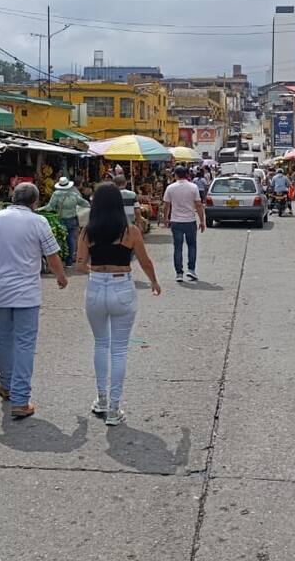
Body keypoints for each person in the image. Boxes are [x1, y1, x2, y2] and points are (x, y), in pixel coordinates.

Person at [0, 182, 68, 420]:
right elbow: (52, 256)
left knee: (4, 341)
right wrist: (61, 277)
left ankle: (6, 385)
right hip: (26, 295)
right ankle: (20, 399)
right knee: (24, 344)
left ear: (13, 197)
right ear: (35, 202)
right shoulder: (39, 222)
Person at [76, 182, 161, 426]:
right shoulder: (131, 231)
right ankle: (114, 408)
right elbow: (144, 261)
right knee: (119, 349)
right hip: (122, 286)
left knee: (101, 344)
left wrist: (96, 270)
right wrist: (153, 281)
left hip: (95, 288)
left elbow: (80, 266)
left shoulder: (86, 232)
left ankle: (101, 399)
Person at [162, 165, 205, 283]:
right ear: (186, 174)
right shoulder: (193, 187)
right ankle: (191, 269)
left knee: (178, 247)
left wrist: (166, 218)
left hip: (176, 221)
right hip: (190, 221)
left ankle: (179, 273)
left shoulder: (170, 187)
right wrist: (202, 221)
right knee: (192, 246)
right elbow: (198, 205)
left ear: (175, 175)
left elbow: (166, 205)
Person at [46, 177, 89, 267]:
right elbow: (85, 204)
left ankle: (59, 260)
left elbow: (50, 207)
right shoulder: (74, 195)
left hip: (60, 220)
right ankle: (69, 262)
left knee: (60, 240)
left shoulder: (56, 194)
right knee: (71, 240)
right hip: (72, 220)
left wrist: (38, 209)